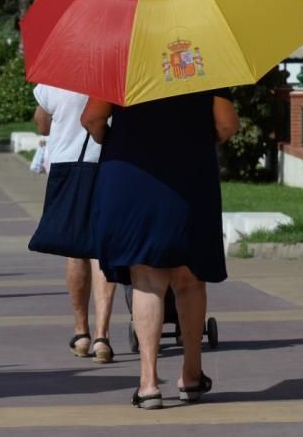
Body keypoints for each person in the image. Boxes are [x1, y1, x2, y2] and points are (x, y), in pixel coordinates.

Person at [82, 89, 239, 410]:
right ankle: (191, 375)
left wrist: (120, 138)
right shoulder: (204, 59)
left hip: (132, 172)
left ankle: (149, 384)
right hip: (190, 174)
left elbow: (93, 118)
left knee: (146, 278)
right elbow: (226, 124)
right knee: (190, 276)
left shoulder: (121, 59)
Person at [33, 84, 118, 363]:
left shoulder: (55, 78)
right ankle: (102, 337)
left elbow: (42, 125)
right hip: (110, 165)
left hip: (67, 166)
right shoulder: (116, 73)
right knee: (102, 249)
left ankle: (81, 333)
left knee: (76, 249)